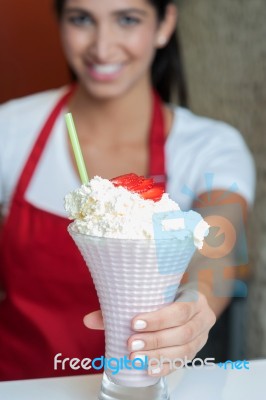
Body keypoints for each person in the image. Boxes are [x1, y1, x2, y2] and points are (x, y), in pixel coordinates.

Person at [0, 0, 255, 381]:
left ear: (165, 23)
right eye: (82, 19)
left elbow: (217, 246)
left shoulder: (211, 147)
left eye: (128, 19)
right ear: (60, 21)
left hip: (146, 383)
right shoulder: (11, 129)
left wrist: (195, 304)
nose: (102, 48)